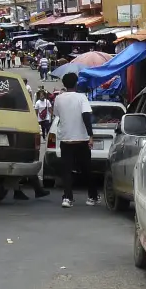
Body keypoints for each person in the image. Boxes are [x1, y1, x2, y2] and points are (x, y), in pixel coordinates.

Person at [52, 72, 96, 208]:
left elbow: (57, 115)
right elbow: (86, 116)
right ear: (76, 83)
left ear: (64, 84)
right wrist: (91, 135)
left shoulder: (58, 99)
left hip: (66, 139)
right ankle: (92, 196)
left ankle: (67, 198)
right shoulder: (81, 97)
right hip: (81, 139)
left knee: (66, 170)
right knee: (87, 169)